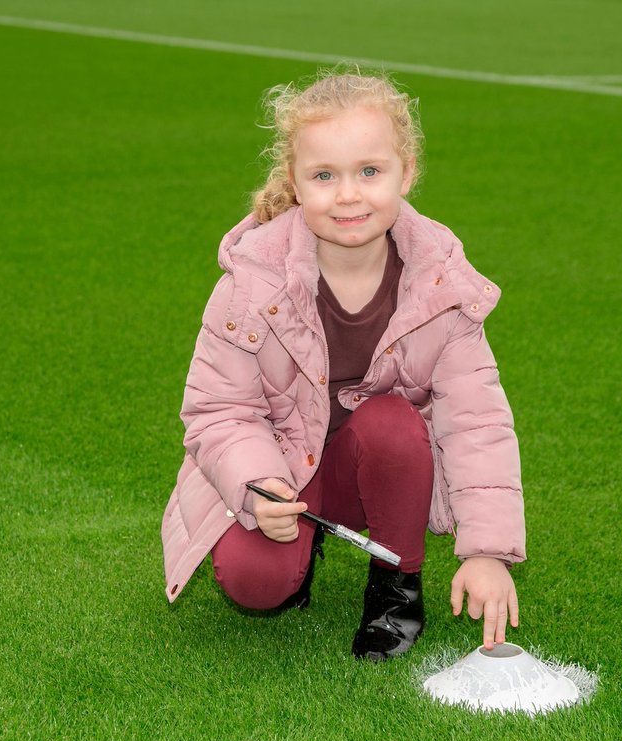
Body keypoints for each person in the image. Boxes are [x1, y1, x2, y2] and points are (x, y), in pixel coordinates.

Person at [161, 66, 525, 661]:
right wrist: (257, 488)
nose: (349, 194)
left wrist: (487, 550)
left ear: (407, 173)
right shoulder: (252, 283)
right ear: (295, 182)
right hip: (287, 473)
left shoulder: (440, 283)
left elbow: (478, 420)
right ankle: (299, 551)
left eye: (370, 172)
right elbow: (218, 409)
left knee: (392, 422)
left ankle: (396, 585)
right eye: (324, 175)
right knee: (256, 584)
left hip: (376, 468)